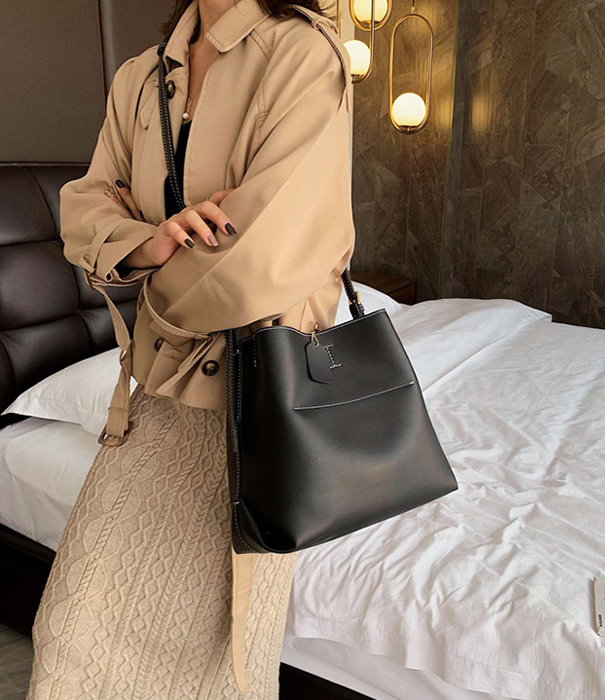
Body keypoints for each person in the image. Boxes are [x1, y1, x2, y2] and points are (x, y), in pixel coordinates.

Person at [25, 0, 355, 697]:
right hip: (155, 396)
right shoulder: (140, 76)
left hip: (259, 405)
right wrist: (149, 241)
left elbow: (264, 258)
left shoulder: (303, 53)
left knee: (218, 662)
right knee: (70, 633)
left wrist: (138, 261)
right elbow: (83, 207)